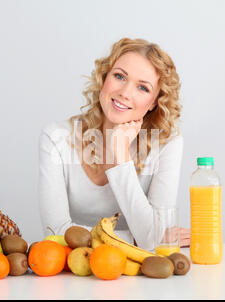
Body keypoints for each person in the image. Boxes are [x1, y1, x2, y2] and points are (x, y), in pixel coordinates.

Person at [38, 37, 190, 251]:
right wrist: (135, 239)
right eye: (119, 76)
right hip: (73, 275)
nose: (125, 93)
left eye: (143, 88)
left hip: (139, 280)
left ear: (154, 102)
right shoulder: (56, 138)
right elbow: (55, 233)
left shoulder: (167, 142)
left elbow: (154, 243)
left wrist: (120, 156)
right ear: (104, 77)